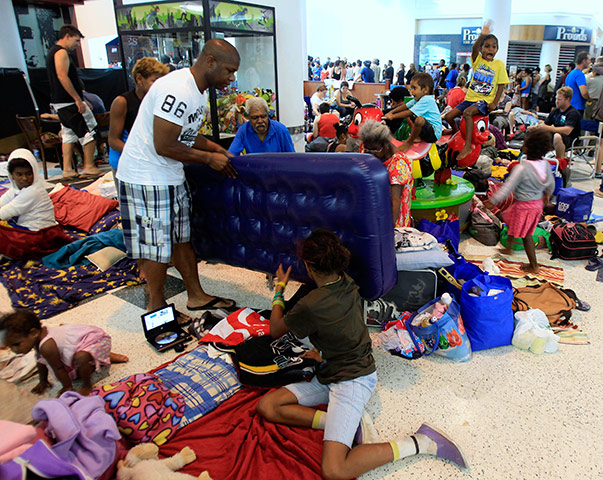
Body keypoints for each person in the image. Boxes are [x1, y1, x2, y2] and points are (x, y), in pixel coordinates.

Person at [256, 229, 467, 480]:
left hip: (353, 380)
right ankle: (346, 424)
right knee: (268, 406)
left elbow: (275, 329)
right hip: (330, 373)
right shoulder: (346, 281)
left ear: (309, 266)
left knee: (335, 470)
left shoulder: (311, 304)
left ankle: (422, 441)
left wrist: (280, 290)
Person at [116, 39, 240, 321]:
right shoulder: (178, 88)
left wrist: (214, 148)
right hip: (146, 176)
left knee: (181, 239)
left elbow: (184, 134)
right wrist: (209, 160)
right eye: (229, 71)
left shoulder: (196, 91)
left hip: (168, 174)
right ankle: (156, 307)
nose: (231, 78)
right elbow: (164, 144)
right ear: (210, 61)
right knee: (156, 246)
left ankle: (196, 295)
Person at [1, 310, 129, 396]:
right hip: (80, 342)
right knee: (78, 365)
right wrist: (43, 381)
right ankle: (100, 356)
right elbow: (41, 361)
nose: (14, 350)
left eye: (16, 344)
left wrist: (67, 387)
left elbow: (58, 368)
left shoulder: (47, 346)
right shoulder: (38, 341)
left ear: (33, 333)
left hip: (97, 340)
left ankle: (87, 384)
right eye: (10, 346)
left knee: (82, 357)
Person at [487, 129, 555, 273]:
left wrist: (493, 200)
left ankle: (534, 265)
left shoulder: (522, 168)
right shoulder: (545, 165)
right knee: (512, 221)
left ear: (527, 147)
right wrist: (547, 196)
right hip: (536, 205)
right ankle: (509, 248)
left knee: (526, 235)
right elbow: (551, 183)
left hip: (524, 206)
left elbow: (507, 188)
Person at [442, 22, 509, 164]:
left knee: (467, 113)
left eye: (494, 46)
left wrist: (494, 103)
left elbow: (501, 85)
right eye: (487, 46)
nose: (490, 49)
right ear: (481, 48)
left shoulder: (499, 65)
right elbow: (474, 48)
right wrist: (482, 35)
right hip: (470, 98)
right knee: (448, 116)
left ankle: (467, 146)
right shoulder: (477, 60)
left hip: (484, 101)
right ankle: (455, 131)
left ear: (497, 49)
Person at [46, 25, 102, 179]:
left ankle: (67, 169)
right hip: (69, 102)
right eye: (76, 41)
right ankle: (89, 166)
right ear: (67, 36)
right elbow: (62, 76)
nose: (77, 45)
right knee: (90, 131)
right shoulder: (61, 52)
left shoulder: (52, 52)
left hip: (61, 102)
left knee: (68, 134)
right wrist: (78, 100)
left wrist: (81, 98)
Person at [108, 57, 169, 193]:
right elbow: (113, 140)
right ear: (140, 79)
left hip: (148, 162)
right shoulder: (122, 102)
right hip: (124, 161)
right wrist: (140, 154)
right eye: (154, 81)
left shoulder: (158, 101)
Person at [359, 121, 413, 227]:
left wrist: (388, 231)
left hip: (394, 222)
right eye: (366, 149)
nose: (370, 153)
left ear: (386, 145)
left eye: (375, 149)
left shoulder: (398, 166)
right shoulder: (373, 149)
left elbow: (395, 201)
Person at [529, 87, 581, 186]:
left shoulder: (572, 113)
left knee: (557, 136)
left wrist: (549, 128)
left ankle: (561, 166)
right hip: (555, 136)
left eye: (559, 99)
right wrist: (537, 127)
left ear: (568, 99)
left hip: (570, 139)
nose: (557, 101)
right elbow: (546, 124)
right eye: (556, 99)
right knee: (537, 134)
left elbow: (567, 130)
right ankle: (534, 162)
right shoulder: (556, 111)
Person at [382, 73, 442, 153]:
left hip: (433, 134)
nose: (411, 91)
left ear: (425, 90)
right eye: (411, 88)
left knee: (418, 119)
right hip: (426, 129)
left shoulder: (427, 100)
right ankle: (417, 136)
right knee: (412, 117)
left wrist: (392, 116)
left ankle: (409, 142)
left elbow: (409, 112)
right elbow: (405, 106)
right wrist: (391, 112)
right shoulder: (418, 99)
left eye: (414, 88)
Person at [0, 149, 56, 231]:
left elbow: (3, 214)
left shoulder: (33, 191)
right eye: (19, 174)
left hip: (37, 234)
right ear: (11, 175)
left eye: (29, 174)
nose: (25, 178)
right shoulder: (15, 190)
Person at [229, 97, 295, 155]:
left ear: (267, 114)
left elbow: (292, 158)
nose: (260, 121)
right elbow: (232, 154)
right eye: (255, 118)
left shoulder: (281, 130)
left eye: (263, 116)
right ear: (248, 118)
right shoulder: (243, 131)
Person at [564, 52, 592, 116]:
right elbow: (584, 93)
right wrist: (589, 99)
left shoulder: (571, 73)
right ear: (584, 61)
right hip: (577, 107)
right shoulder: (580, 74)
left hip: (569, 105)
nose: (590, 62)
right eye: (589, 60)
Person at [585, 56, 603, 121]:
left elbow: (596, 67)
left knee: (587, 120)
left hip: (591, 101)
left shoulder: (590, 79)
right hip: (598, 103)